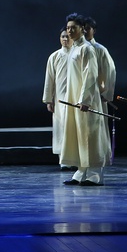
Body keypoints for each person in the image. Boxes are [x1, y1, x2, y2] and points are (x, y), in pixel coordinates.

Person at [61, 14, 109, 186]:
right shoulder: (74, 48)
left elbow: (90, 75)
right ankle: (81, 172)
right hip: (75, 98)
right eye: (68, 28)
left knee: (90, 135)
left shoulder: (87, 48)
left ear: (82, 29)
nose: (69, 31)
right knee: (79, 135)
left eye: (73, 28)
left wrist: (85, 100)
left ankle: (95, 175)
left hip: (86, 100)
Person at [42, 27, 73, 169]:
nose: (65, 39)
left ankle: (75, 159)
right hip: (59, 98)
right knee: (61, 127)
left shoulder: (77, 54)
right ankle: (63, 159)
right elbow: (49, 79)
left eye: (67, 36)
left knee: (73, 127)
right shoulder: (54, 56)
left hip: (74, 97)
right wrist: (49, 99)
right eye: (63, 36)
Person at [84, 16, 117, 128]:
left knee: (97, 126)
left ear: (94, 30)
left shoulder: (100, 49)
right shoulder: (76, 49)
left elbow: (110, 71)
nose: (85, 31)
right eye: (83, 29)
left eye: (88, 28)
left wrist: (106, 94)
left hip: (96, 93)